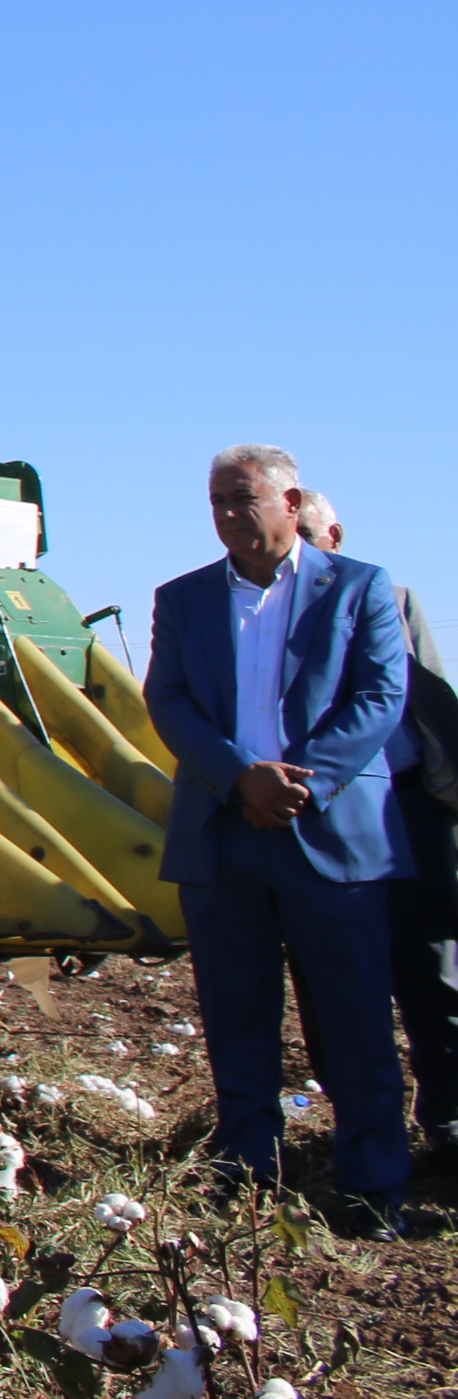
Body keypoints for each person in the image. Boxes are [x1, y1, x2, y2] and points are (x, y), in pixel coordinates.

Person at [145, 444, 413, 1233]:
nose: (229, 513)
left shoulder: (358, 587)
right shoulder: (184, 598)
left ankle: (372, 1187)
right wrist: (240, 778)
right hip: (226, 833)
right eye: (217, 501)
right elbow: (170, 700)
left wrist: (302, 782)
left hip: (329, 836)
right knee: (236, 1012)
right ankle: (246, 1175)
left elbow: (379, 696)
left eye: (243, 498)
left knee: (356, 1016)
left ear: (291, 502)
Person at [298, 494, 458, 1154]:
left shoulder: (394, 600)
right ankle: (361, 1124)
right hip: (322, 817)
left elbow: (433, 700)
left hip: (409, 808)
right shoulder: (257, 616)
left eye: (305, 533)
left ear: (334, 533)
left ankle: (447, 1117)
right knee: (332, 977)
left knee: (432, 968)